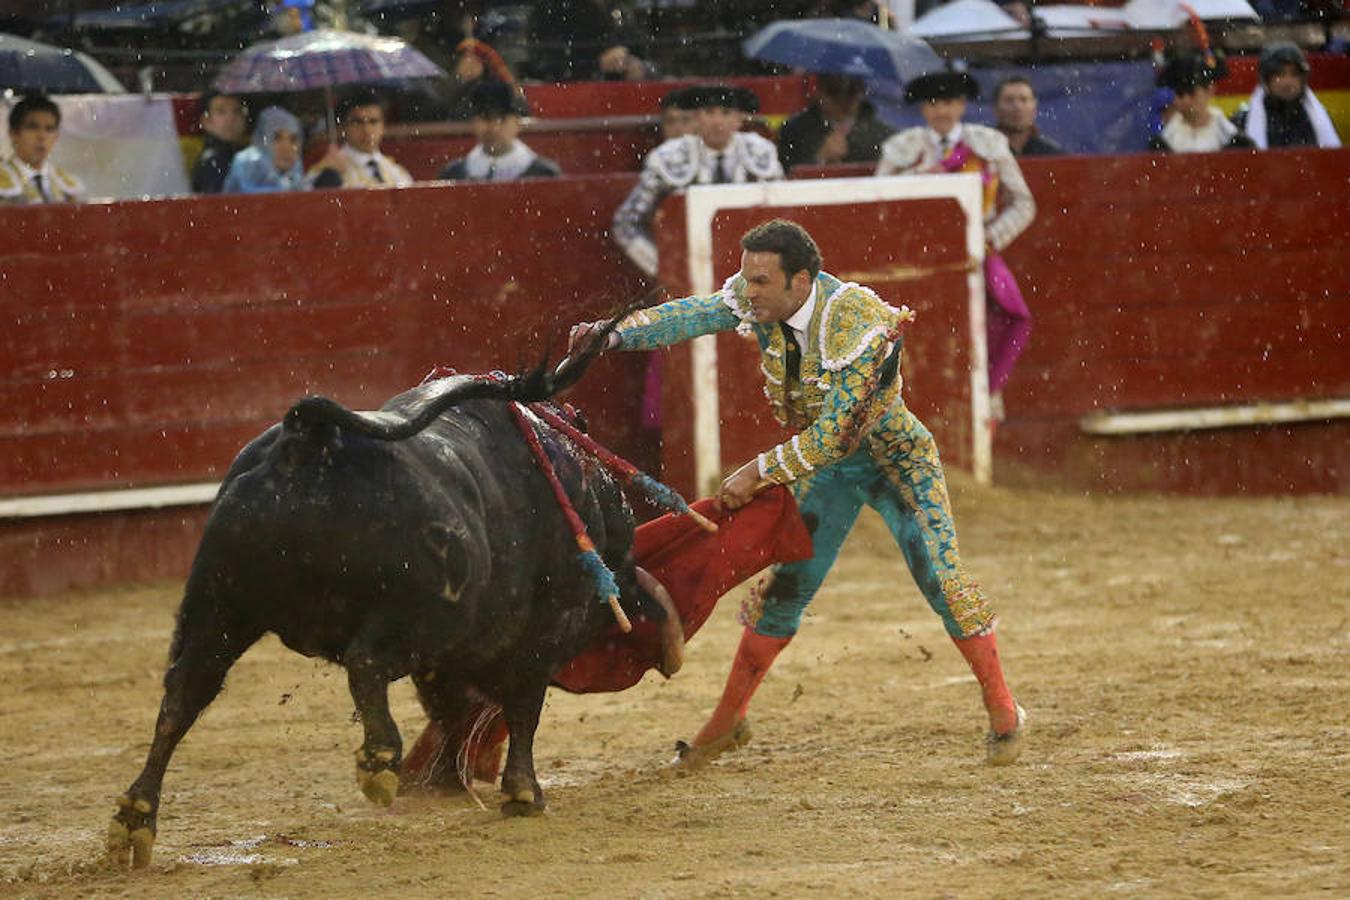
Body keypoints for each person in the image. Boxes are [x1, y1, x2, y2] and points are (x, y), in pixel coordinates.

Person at [568, 219, 1025, 768]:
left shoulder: (859, 322)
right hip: (829, 473)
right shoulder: (760, 298)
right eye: (746, 279)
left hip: (896, 460)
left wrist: (758, 471)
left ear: (802, 281)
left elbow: (837, 435)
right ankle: (728, 721)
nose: (747, 292)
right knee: (784, 591)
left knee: (941, 577)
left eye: (761, 281)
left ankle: (1003, 710)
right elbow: (694, 314)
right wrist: (615, 333)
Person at [876, 69, 1036, 403]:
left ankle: (985, 404)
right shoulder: (902, 149)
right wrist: (919, 177)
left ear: (962, 105)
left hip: (975, 258)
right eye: (933, 103)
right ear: (923, 109)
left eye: (949, 102)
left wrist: (987, 239)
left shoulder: (988, 144)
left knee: (994, 328)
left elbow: (1024, 203)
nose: (942, 111)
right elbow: (882, 207)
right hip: (920, 264)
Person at [613, 84, 783, 278]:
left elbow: (782, 217)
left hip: (752, 270)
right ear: (696, 119)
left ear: (738, 120)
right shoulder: (669, 157)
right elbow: (626, 223)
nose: (717, 121)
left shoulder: (761, 152)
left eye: (726, 113)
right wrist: (663, 268)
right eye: (709, 112)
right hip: (691, 269)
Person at [438, 82, 561, 182]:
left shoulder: (544, 174)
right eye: (485, 119)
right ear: (473, 123)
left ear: (517, 123)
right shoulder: (453, 174)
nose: (493, 128)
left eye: (502, 120)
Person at [777, 74, 895, 173]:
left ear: (861, 93)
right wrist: (819, 159)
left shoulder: (884, 135)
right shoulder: (794, 131)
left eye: (851, 91)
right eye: (834, 91)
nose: (843, 100)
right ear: (819, 92)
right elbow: (784, 175)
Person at [1233, 43, 1341, 150]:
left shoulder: (1319, 119)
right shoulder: (1243, 121)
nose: (1287, 82)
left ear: (1303, 80)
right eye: (1279, 75)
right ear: (1266, 80)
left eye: (1294, 74)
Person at [1149, 53, 1254, 153]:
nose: (1183, 100)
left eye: (1190, 92)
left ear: (1210, 90)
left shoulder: (1236, 141)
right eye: (1179, 93)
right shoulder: (1162, 145)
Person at [308, 91, 413, 189]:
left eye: (373, 121)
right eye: (357, 122)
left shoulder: (397, 171)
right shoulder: (327, 170)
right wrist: (329, 177)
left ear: (383, 126)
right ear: (342, 127)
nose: (367, 130)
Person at [1, 95, 86, 205]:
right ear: (14, 133)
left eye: (49, 129)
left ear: (56, 136)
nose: (42, 136)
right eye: (33, 127)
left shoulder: (68, 185)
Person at [222, 106, 306, 194]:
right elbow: (255, 199)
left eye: (293, 139)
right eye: (276, 138)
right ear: (262, 142)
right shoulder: (247, 161)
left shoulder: (296, 165)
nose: (286, 147)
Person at [191, 91, 249, 194]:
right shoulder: (211, 162)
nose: (230, 118)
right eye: (221, 112)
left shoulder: (249, 154)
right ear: (206, 121)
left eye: (236, 111)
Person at [992, 76, 1065, 157]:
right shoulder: (983, 152)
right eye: (1009, 100)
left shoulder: (1053, 154)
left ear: (1035, 107)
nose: (1017, 107)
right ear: (996, 108)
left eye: (1024, 100)